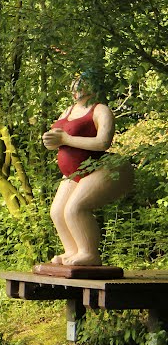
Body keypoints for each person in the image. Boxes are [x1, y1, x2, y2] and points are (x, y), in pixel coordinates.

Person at [42, 72, 133, 266]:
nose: (77, 89)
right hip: (73, 174)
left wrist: (66, 139)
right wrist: (51, 142)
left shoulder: (100, 110)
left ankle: (89, 253)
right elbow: (57, 140)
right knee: (57, 211)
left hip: (101, 167)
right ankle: (72, 251)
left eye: (82, 84)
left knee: (75, 209)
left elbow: (103, 142)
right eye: (74, 84)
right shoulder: (67, 111)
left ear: (93, 87)